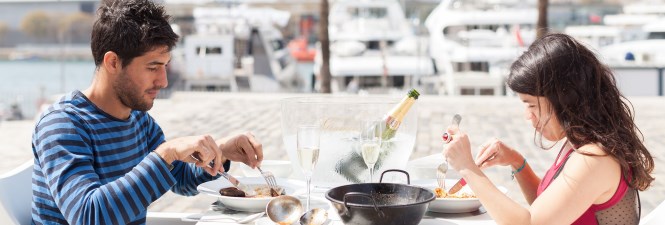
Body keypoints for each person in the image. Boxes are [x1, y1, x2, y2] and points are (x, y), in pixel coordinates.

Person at [31, 0, 264, 224]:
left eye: (165, 66)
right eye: (152, 67)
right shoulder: (63, 125)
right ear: (113, 62)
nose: (163, 81)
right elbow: (88, 216)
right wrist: (166, 153)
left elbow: (180, 179)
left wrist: (220, 151)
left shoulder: (138, 119)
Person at [442, 33, 654, 225]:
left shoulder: (593, 159)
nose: (528, 115)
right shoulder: (583, 143)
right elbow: (553, 211)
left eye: (532, 105)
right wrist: (517, 163)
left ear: (566, 99)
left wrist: (466, 166)